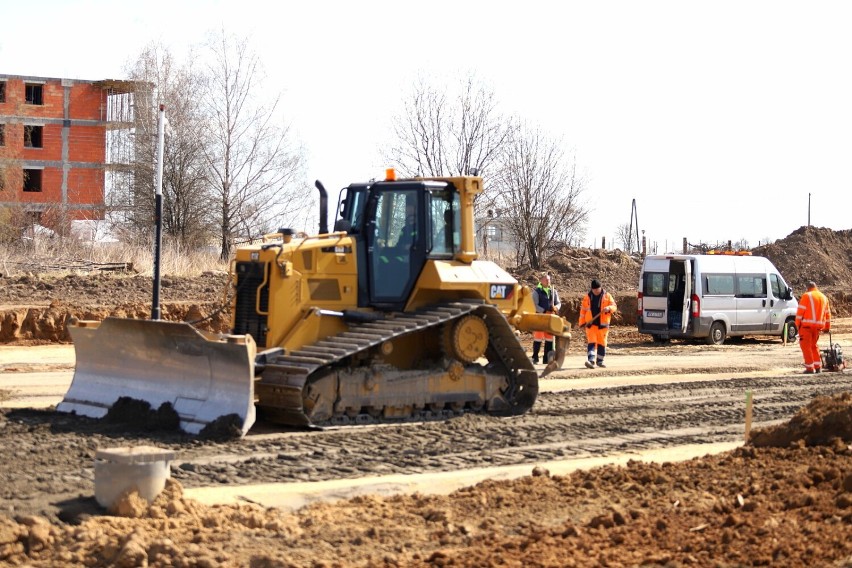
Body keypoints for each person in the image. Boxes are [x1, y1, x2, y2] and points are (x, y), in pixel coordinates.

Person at [578, 279, 617, 368]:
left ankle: (600, 361)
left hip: (603, 325)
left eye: (597, 289)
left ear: (600, 288)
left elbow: (614, 306)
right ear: (591, 289)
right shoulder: (587, 297)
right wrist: (582, 323)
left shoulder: (607, 296)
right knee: (591, 342)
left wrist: (609, 308)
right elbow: (583, 311)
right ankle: (591, 360)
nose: (596, 291)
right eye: (594, 289)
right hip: (591, 325)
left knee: (602, 343)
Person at [795, 281, 831, 374]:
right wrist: (827, 327)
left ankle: (810, 368)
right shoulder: (824, 297)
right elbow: (827, 314)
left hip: (806, 327)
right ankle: (818, 367)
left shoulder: (807, 296)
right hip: (817, 328)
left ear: (808, 288)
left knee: (806, 347)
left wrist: (797, 324)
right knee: (814, 346)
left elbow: (800, 312)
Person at [531, 273, 561, 364]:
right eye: (546, 279)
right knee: (538, 338)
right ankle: (535, 357)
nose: (548, 281)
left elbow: (558, 303)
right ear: (541, 280)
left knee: (549, 339)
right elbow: (534, 305)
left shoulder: (553, 291)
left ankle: (546, 359)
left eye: (549, 279)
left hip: (551, 319)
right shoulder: (536, 292)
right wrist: (544, 311)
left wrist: (556, 308)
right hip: (540, 318)